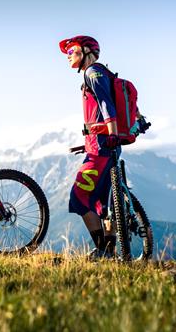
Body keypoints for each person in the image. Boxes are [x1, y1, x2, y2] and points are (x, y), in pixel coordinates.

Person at [58, 35, 120, 258]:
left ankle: (103, 250)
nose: (68, 56)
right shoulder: (100, 72)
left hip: (102, 148)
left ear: (85, 51)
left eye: (71, 50)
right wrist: (88, 143)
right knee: (103, 204)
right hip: (103, 145)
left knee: (79, 197)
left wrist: (110, 133)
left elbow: (106, 104)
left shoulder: (92, 72)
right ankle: (109, 252)